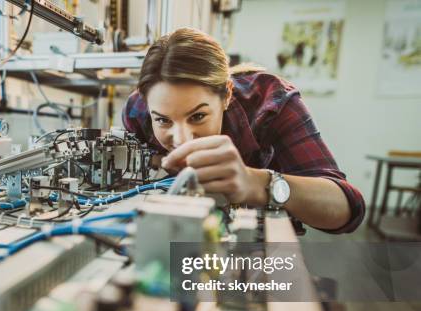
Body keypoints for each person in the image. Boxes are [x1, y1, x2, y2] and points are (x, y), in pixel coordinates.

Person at [122, 28, 365, 233]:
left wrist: (255, 183)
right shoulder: (137, 111)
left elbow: (347, 208)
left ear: (227, 94)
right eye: (164, 121)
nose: (183, 139)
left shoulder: (273, 103)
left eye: (198, 116)